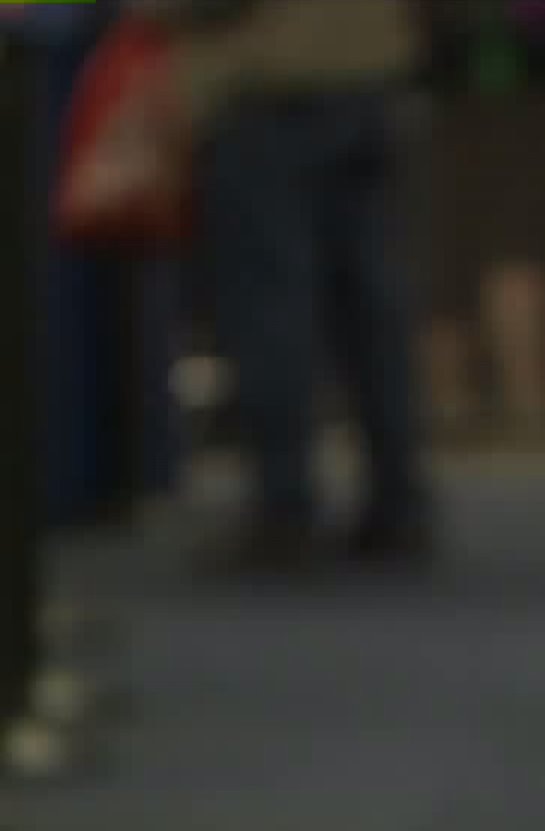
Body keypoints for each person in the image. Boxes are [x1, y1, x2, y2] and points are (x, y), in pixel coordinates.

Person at [139, 0, 433, 569]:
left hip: (267, 85)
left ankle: (285, 506)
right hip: (368, 75)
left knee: (271, 307)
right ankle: (398, 498)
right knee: (369, 306)